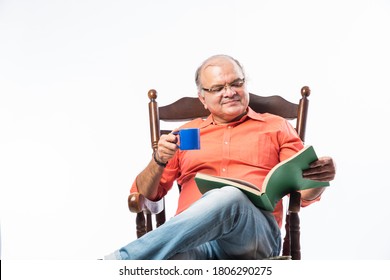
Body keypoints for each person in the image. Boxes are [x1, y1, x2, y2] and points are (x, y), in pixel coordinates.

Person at [104, 54, 336, 260]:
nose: (230, 92)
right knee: (167, 258)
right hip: (195, 241)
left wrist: (319, 179)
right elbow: (143, 195)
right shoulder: (186, 135)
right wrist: (158, 160)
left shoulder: (276, 127)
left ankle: (116, 263)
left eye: (237, 83)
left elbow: (303, 195)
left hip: (254, 238)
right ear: (202, 99)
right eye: (217, 88)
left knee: (230, 196)